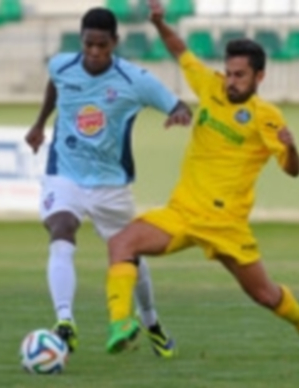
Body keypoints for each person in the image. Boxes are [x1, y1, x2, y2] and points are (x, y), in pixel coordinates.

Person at [102, 0, 299, 358]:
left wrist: (292, 148)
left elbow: (292, 170)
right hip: (183, 212)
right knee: (121, 244)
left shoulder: (265, 116)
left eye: (240, 75)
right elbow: (181, 51)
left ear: (259, 77)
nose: (231, 81)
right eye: (229, 72)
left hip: (225, 224)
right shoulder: (211, 87)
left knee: (264, 295)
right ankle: (121, 325)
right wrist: (160, 23)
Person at [25, 7, 192, 357]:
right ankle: (65, 322)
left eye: (102, 45)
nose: (95, 52)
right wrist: (40, 123)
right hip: (64, 173)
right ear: (81, 40)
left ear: (115, 42)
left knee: (128, 253)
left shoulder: (135, 80)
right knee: (61, 228)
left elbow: (179, 106)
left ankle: (152, 323)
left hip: (110, 185)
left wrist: (178, 113)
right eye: (89, 44)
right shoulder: (61, 65)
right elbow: (55, 85)